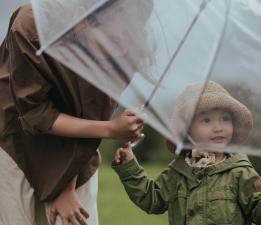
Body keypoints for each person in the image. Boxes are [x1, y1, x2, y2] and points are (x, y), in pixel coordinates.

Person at [0, 1, 153, 225]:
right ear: (82, 19)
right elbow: (35, 113)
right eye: (109, 42)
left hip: (78, 147)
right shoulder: (32, 26)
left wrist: (67, 185)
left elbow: (92, 116)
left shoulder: (128, 49)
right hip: (17, 140)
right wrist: (112, 129)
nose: (115, 51)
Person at [112, 81, 261, 225]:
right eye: (206, 120)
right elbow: (152, 199)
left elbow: (260, 214)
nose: (218, 127)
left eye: (225, 119)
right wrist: (130, 168)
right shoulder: (178, 171)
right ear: (187, 130)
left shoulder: (240, 172)